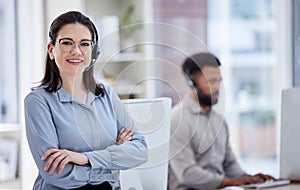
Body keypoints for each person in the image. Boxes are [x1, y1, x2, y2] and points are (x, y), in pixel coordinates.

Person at [24, 11, 148, 190]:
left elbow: (140, 150)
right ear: (51, 50)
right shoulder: (38, 102)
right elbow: (54, 172)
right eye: (67, 43)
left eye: (84, 44)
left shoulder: (107, 95)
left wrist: (85, 159)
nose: (76, 51)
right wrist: (112, 165)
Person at [168, 52, 274, 190]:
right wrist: (231, 182)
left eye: (219, 81)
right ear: (192, 82)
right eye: (211, 81)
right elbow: (187, 174)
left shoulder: (219, 121)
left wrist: (249, 179)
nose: (217, 88)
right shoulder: (177, 119)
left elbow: (229, 164)